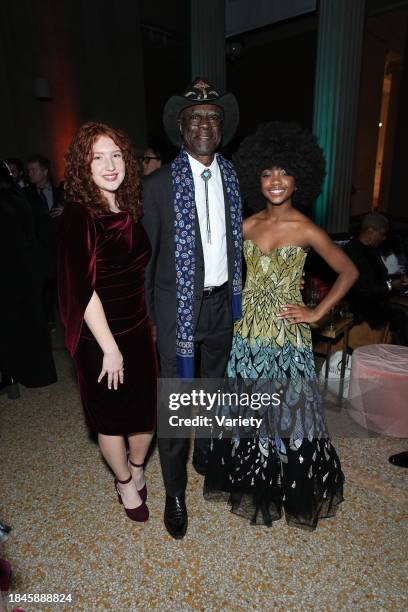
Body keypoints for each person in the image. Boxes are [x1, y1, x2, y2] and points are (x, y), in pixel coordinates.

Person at [203, 121, 359, 530]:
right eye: (267, 173)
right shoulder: (246, 225)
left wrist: (316, 312)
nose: (275, 181)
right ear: (258, 179)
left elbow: (348, 272)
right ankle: (257, 485)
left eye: (284, 173)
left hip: (287, 336)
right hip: (247, 335)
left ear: (298, 179)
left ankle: (293, 490)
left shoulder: (306, 229)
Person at [142, 77, 242, 538]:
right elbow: (146, 258)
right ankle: (174, 493)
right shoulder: (158, 185)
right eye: (195, 117)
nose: (204, 124)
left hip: (223, 306)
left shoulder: (233, 177)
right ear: (182, 127)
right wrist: (150, 319)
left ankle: (206, 452)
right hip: (177, 312)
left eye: (212, 118)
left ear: (221, 128)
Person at [58, 122, 156, 523]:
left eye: (115, 154)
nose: (109, 164)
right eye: (97, 157)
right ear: (84, 166)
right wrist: (110, 348)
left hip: (137, 328)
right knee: (112, 418)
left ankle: (136, 468)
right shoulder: (78, 215)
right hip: (101, 337)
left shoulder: (127, 205)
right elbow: (83, 290)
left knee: (146, 412)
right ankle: (122, 481)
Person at [0, 160, 57, 395]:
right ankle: (36, 375)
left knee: (9, 328)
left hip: (7, 274)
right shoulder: (19, 199)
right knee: (31, 324)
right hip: (27, 271)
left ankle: (10, 376)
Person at [344, 213, 408, 345]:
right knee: (399, 317)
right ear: (370, 231)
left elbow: (378, 277)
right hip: (360, 308)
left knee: (402, 311)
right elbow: (363, 289)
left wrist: (398, 279)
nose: (384, 238)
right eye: (382, 233)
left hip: (375, 301)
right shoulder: (354, 252)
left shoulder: (371, 250)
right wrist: (391, 286)